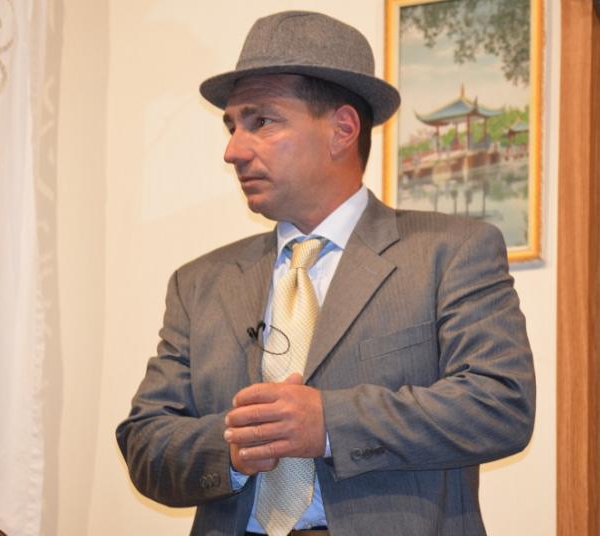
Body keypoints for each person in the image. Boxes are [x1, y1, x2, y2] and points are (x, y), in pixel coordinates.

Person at [116, 10, 535, 536]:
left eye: (261, 121)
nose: (233, 150)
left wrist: (331, 424)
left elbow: (501, 404)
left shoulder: (450, 252)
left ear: (342, 129)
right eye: (232, 126)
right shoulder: (199, 283)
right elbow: (145, 442)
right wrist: (234, 447)